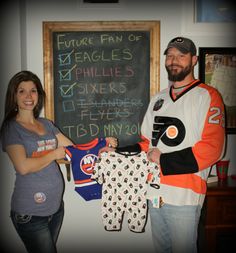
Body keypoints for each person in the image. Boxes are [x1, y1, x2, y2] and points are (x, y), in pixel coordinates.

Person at [0, 70, 117, 253]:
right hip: (31, 213)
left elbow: (73, 151)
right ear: (14, 96)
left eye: (33, 90)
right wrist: (54, 154)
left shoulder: (46, 124)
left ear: (39, 94)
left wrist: (101, 146)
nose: (28, 96)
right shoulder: (11, 128)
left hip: (55, 209)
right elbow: (23, 166)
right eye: (21, 91)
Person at [141, 37, 226, 253]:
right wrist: (116, 151)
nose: (174, 60)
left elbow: (212, 148)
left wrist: (164, 159)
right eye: (170, 56)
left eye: (181, 55)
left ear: (194, 59)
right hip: (155, 192)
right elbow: (146, 143)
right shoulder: (158, 98)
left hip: (185, 197)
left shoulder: (208, 96)